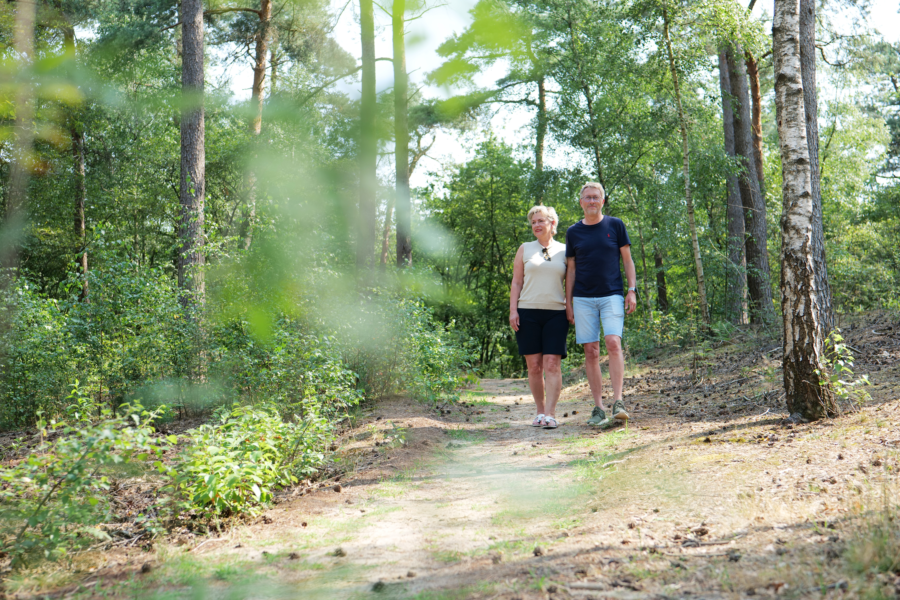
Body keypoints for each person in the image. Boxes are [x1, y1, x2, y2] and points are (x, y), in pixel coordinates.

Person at [565, 182, 637, 428]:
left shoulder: (615, 225)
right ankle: (599, 408)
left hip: (612, 294)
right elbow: (571, 269)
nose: (592, 201)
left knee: (613, 343)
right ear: (581, 202)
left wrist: (631, 290)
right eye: (587, 197)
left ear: (603, 201)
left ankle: (618, 402)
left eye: (596, 197)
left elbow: (627, 260)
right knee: (591, 351)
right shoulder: (573, 232)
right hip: (583, 298)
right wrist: (569, 302)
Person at [509, 205, 569, 429]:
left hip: (557, 313)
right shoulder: (524, 249)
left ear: (552, 223)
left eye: (540, 221)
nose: (536, 225)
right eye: (533, 222)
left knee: (552, 364)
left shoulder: (565, 250)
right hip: (528, 312)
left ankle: (551, 414)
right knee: (534, 366)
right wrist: (513, 310)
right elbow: (516, 282)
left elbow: (570, 281)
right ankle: (540, 412)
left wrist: (570, 307)